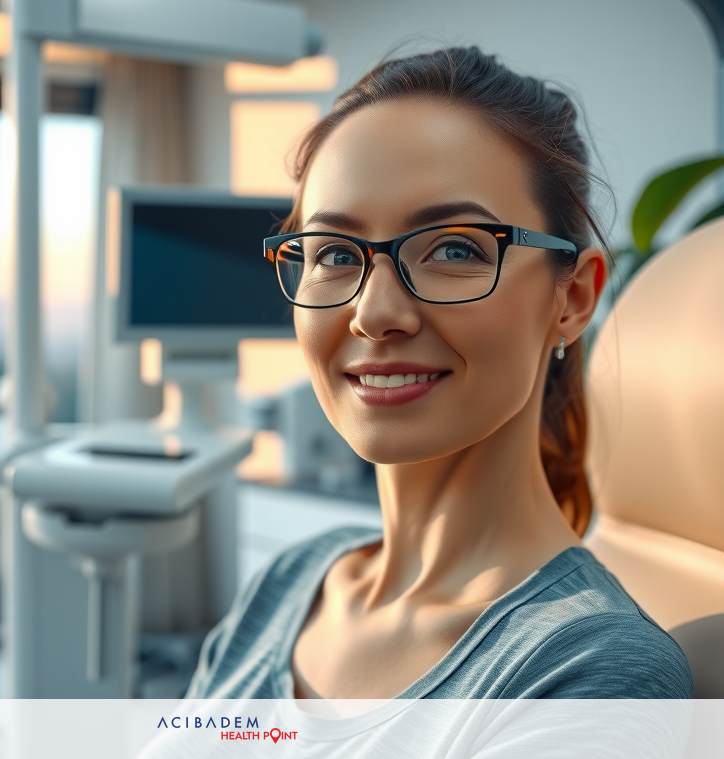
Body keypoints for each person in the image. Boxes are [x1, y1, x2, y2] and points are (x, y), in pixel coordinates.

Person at [186, 46, 693, 700]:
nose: (374, 314)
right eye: (336, 253)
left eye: (454, 248)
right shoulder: (291, 581)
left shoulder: (589, 668)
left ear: (571, 299)